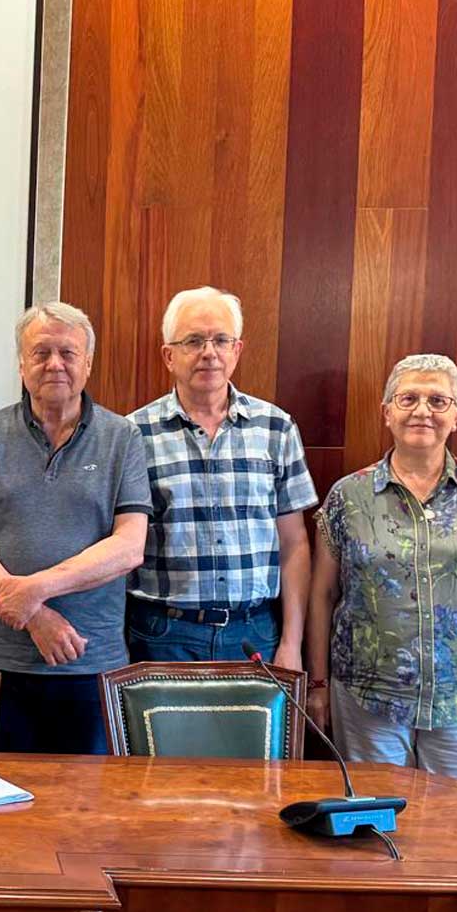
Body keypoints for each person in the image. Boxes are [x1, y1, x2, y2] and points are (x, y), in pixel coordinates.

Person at [307, 354, 457, 786]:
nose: (422, 411)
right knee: (373, 830)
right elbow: (322, 596)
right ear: (387, 411)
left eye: (438, 400)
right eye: (408, 398)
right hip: (368, 698)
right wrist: (318, 684)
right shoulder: (348, 497)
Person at [0, 302, 150, 753]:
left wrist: (35, 589)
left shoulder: (123, 438)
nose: (54, 364)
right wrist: (35, 615)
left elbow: (129, 546)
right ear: (22, 365)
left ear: (88, 363)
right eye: (40, 353)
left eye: (68, 353)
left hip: (89, 662)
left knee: (84, 812)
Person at [127, 286, 317, 668]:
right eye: (193, 341)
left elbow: (294, 544)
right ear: (169, 355)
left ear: (237, 350)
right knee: (162, 732)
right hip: (164, 633)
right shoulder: (133, 434)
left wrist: (292, 643)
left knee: (250, 732)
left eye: (220, 340)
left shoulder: (275, 428)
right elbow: (120, 549)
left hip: (255, 633)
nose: (208, 353)